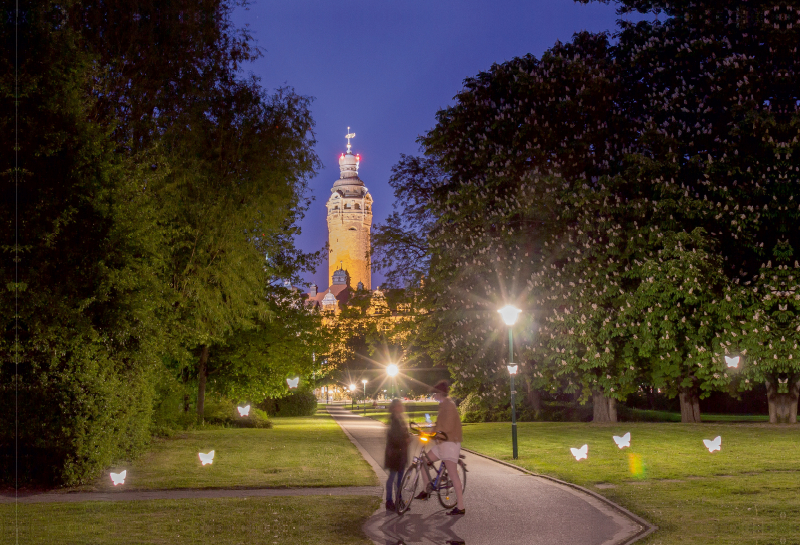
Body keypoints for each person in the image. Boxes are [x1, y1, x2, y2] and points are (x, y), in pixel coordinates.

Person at [416, 380, 465, 515]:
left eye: (435, 394)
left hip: (450, 443)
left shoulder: (449, 405)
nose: (434, 396)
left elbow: (447, 427)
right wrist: (428, 432)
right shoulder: (443, 405)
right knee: (423, 462)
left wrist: (435, 434)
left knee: (453, 475)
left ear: (440, 393)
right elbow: (438, 424)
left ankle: (460, 507)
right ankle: (426, 490)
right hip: (442, 443)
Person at [384, 398, 411, 512]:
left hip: (400, 453)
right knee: (392, 478)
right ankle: (389, 501)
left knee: (400, 479)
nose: (402, 407)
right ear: (395, 407)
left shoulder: (400, 419)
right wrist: (405, 439)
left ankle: (398, 500)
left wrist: (407, 437)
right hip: (395, 454)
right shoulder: (393, 421)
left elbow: (403, 433)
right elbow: (394, 437)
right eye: (399, 405)